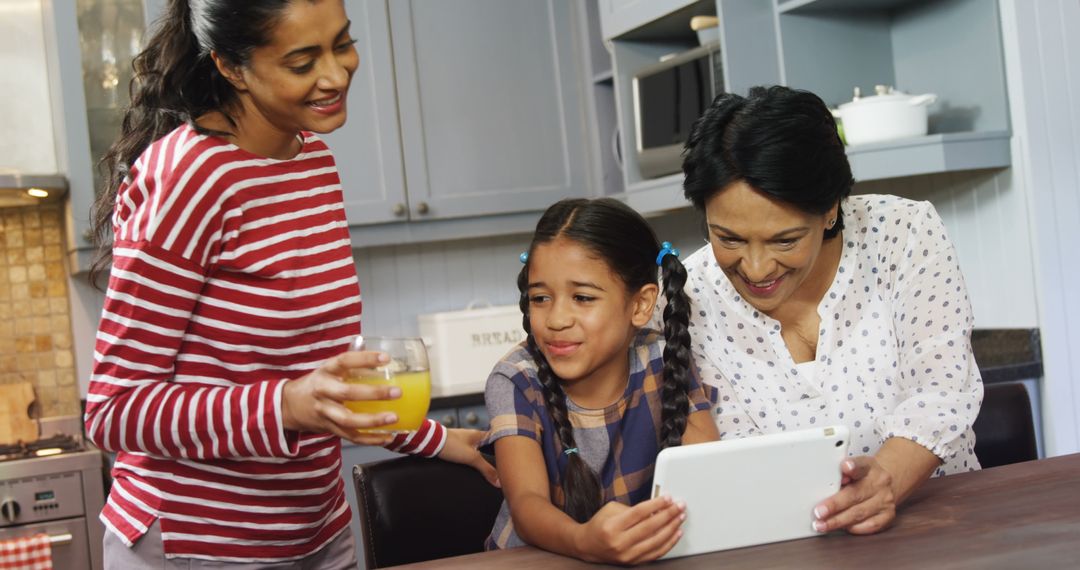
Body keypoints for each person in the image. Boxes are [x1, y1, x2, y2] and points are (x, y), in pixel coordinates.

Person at [82, 1, 495, 567]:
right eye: (302, 61)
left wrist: (433, 438)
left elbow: (322, 371)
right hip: (197, 545)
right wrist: (287, 406)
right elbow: (115, 411)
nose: (335, 74)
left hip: (317, 533)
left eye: (342, 44)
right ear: (230, 66)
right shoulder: (189, 178)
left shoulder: (312, 161)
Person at [678, 85, 983, 536]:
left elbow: (942, 391)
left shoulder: (903, 235)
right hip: (788, 545)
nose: (757, 268)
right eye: (729, 239)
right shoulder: (688, 296)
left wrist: (885, 483)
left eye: (785, 240)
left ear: (829, 211)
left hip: (942, 523)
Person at [482, 198, 720, 565]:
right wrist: (583, 540)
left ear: (641, 305)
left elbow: (709, 470)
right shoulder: (516, 380)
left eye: (582, 297)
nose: (557, 318)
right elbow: (527, 507)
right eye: (541, 298)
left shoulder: (664, 358)